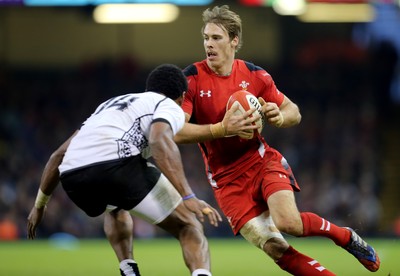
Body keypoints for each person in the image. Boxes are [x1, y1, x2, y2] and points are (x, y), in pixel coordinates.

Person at [174, 5, 381, 275]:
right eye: (206, 38)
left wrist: (279, 117)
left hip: (261, 161)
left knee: (288, 223)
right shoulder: (190, 79)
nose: (208, 44)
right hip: (226, 181)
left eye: (216, 38)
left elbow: (293, 111)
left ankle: (344, 236)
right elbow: (177, 131)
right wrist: (221, 129)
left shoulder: (255, 75)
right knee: (276, 249)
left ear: (234, 40)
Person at [27, 64, 224, 276]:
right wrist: (188, 195)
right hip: (117, 164)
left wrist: (39, 206)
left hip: (73, 177)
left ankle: (128, 268)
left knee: (115, 206)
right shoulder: (168, 105)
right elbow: (159, 140)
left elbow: (57, 156)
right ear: (182, 96)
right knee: (189, 226)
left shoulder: (108, 106)